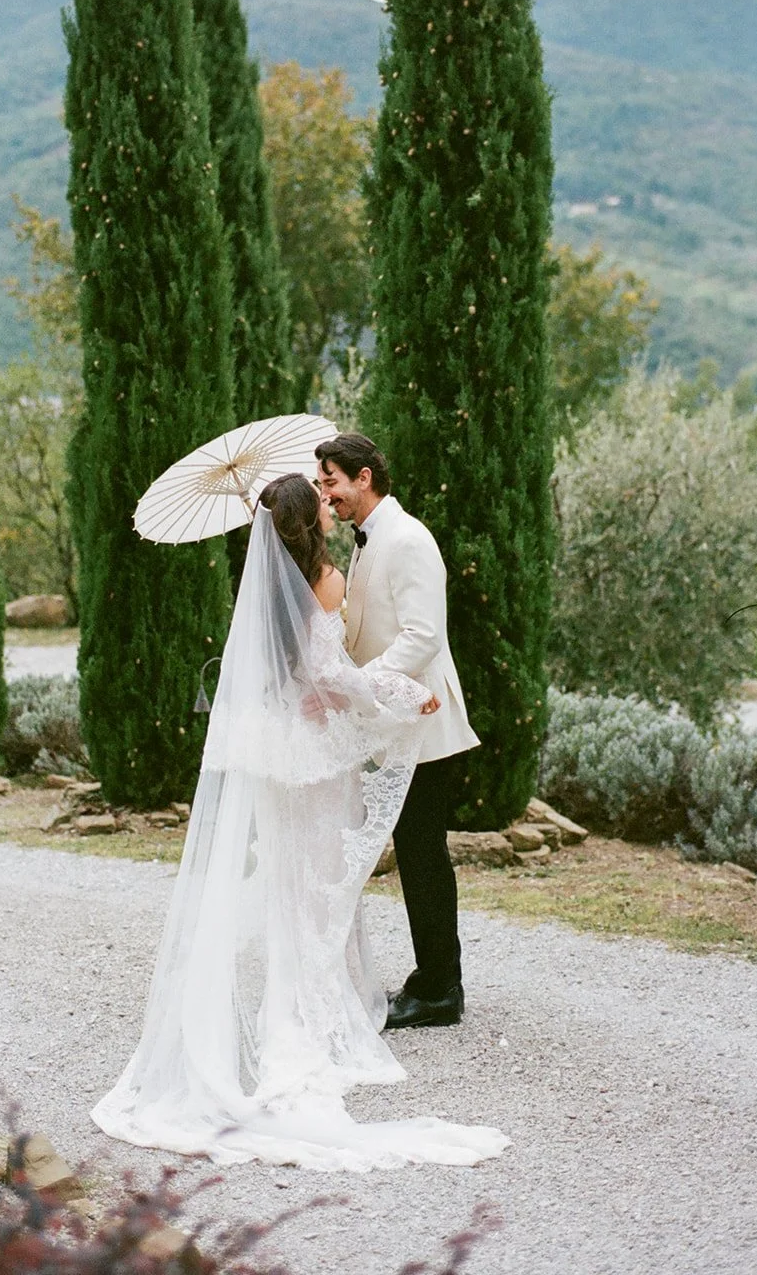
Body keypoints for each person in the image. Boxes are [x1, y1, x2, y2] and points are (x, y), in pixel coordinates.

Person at [91, 473, 508, 1171]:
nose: (325, 496)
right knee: (321, 890)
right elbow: (333, 674)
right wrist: (401, 692)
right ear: (306, 519)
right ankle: (314, 1015)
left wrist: (314, 686)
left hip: (275, 748)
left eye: (328, 484)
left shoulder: (268, 584)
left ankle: (308, 1002)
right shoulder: (324, 578)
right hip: (312, 759)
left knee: (294, 883)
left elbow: (288, 671)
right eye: (315, 493)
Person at [315, 434, 477, 1031]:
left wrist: (362, 685)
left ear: (363, 477)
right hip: (393, 725)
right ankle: (434, 979)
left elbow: (423, 636)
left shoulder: (407, 538)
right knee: (415, 854)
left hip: (424, 725)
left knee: (423, 856)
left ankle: (441, 990)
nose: (326, 494)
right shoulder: (367, 541)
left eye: (331, 481)